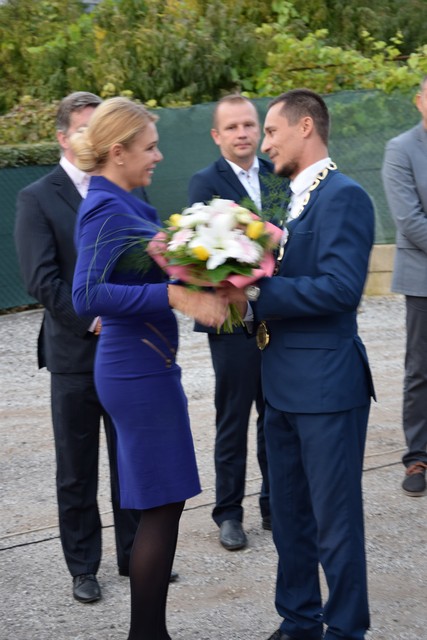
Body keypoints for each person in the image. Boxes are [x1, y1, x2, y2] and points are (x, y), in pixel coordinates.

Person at [70, 96, 228, 640]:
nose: (158, 156)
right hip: (134, 371)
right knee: (162, 504)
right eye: (150, 147)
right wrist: (174, 296)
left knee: (165, 501)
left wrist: (219, 272)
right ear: (118, 152)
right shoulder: (105, 208)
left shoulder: (128, 203)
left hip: (148, 368)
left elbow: (155, 272)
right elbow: (86, 295)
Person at [228, 89, 376, 640]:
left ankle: (345, 629)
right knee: (290, 517)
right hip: (280, 384)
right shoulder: (284, 202)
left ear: (306, 126)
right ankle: (298, 620)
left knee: (335, 523)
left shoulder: (345, 196)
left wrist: (256, 292)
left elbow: (341, 289)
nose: (263, 143)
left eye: (271, 131)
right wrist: (235, 298)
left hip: (328, 387)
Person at [14, 91, 143, 604]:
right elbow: (41, 279)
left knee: (129, 460)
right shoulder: (37, 197)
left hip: (126, 352)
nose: (98, 137)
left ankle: (136, 555)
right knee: (77, 467)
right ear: (63, 137)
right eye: (87, 128)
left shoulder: (123, 186)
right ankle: (83, 567)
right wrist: (93, 319)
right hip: (74, 355)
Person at [188, 94, 287, 551]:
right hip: (230, 320)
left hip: (277, 316)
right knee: (233, 419)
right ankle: (229, 513)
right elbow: (201, 256)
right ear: (217, 135)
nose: (243, 133)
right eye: (232, 127)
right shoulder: (204, 182)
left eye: (249, 124)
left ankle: (274, 505)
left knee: (276, 415)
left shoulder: (277, 174)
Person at [382, 75, 427, 497]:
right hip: (422, 280)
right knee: (420, 371)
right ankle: (418, 457)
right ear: (419, 101)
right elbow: (409, 220)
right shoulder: (401, 149)